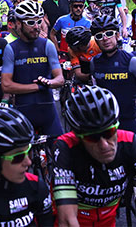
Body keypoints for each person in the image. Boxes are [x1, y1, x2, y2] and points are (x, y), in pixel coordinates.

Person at [53, 85, 136, 226]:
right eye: (93, 137)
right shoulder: (66, 146)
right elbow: (67, 219)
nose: (104, 145)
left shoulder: (130, 142)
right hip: (77, 219)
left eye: (109, 133)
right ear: (78, 136)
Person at [1, 0, 64, 139]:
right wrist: (37, 87)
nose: (37, 27)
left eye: (39, 21)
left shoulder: (47, 45)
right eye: (30, 22)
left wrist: (49, 83)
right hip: (23, 112)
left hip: (48, 111)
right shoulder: (11, 49)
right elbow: (6, 85)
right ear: (18, 23)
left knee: (61, 153)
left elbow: (60, 79)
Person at [90, 15, 136, 132]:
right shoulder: (94, 63)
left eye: (109, 34)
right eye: (99, 36)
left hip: (129, 120)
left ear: (117, 35)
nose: (105, 39)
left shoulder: (131, 61)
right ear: (96, 40)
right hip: (105, 123)